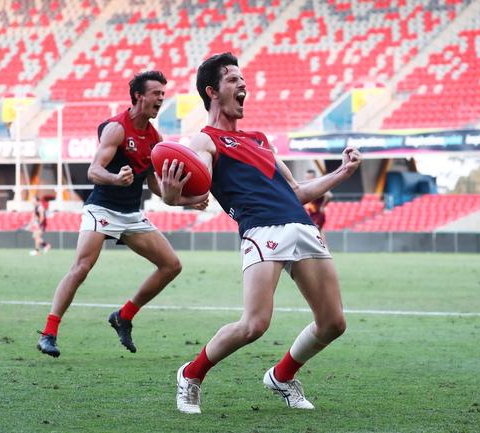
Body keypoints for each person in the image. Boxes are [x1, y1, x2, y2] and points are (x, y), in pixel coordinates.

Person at [156, 53, 361, 414]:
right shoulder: (205, 141)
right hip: (261, 229)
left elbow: (296, 191)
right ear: (212, 91)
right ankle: (190, 375)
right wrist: (175, 197)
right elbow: (196, 187)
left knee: (333, 323)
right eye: (233, 79)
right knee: (254, 325)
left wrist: (342, 173)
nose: (243, 85)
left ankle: (281, 376)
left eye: (242, 79)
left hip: (301, 224)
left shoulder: (261, 139)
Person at [36, 71, 207, 358]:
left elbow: (159, 190)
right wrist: (116, 178)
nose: (161, 98)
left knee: (171, 266)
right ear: (139, 96)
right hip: (101, 208)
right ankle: (49, 333)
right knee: (81, 268)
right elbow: (93, 171)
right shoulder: (116, 128)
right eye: (156, 93)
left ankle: (124, 316)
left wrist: (191, 199)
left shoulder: (156, 140)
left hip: (130, 214)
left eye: (163, 94)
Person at [304, 169, 333, 239]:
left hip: (318, 215)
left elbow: (329, 195)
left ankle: (322, 248)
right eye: (306, 177)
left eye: (308, 177)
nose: (306, 179)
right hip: (312, 214)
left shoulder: (317, 184)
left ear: (313, 177)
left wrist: (322, 206)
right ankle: (324, 248)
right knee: (319, 232)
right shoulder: (307, 185)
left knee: (316, 232)